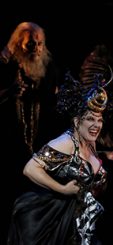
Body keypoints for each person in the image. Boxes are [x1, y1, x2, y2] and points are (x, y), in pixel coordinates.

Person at [7, 72, 109, 245]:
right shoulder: (66, 142)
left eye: (99, 120)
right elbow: (30, 168)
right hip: (53, 220)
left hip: (80, 219)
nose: (96, 125)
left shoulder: (90, 142)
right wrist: (62, 189)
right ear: (77, 122)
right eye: (90, 119)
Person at [0, 21, 64, 243]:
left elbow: (55, 102)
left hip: (41, 144)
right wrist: (8, 92)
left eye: (39, 44)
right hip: (11, 145)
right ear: (19, 44)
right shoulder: (6, 65)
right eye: (30, 45)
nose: (36, 48)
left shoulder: (49, 66)